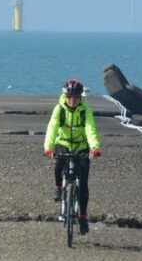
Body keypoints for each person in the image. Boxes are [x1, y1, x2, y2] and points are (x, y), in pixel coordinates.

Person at [43, 78, 101, 235]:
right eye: (69, 97)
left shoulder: (85, 111)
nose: (72, 100)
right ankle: (58, 188)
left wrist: (94, 147)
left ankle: (82, 217)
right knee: (58, 166)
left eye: (75, 97)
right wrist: (48, 147)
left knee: (83, 184)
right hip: (63, 143)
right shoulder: (59, 109)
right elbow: (52, 127)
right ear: (65, 96)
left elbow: (90, 129)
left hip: (81, 146)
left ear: (80, 97)